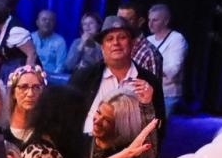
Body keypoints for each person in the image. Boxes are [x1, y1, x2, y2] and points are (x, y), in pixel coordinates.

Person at [70, 15, 165, 146]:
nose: (116, 43)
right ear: (102, 47)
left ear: (132, 44)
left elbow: (159, 126)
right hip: (87, 151)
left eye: (122, 37)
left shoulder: (149, 81)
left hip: (132, 153)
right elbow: (66, 117)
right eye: (109, 39)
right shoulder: (83, 77)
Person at [146, 3, 187, 113]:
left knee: (159, 129)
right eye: (149, 20)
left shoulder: (177, 39)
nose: (150, 24)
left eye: (155, 20)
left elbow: (173, 70)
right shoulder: (148, 40)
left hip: (167, 96)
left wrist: (149, 66)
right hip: (147, 94)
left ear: (166, 21)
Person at [31, 9, 68, 74]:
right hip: (31, 76)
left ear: (54, 24)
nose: (47, 22)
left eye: (51, 20)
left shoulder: (60, 41)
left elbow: (61, 66)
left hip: (52, 79)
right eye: (44, 19)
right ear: (37, 22)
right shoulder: (30, 38)